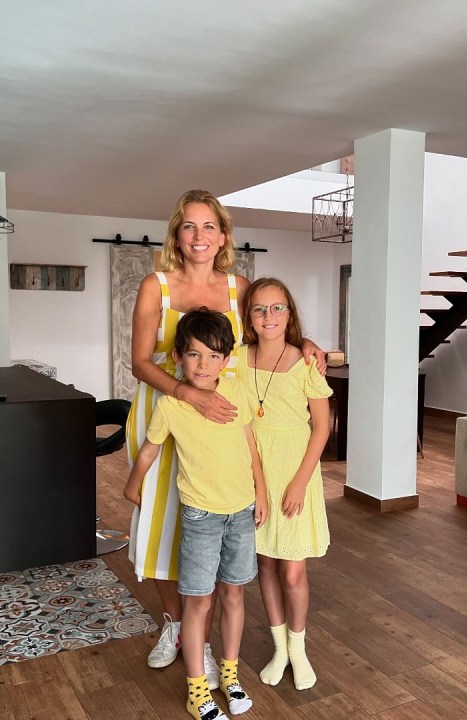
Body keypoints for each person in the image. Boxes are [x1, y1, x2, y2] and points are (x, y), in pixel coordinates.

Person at [125, 189, 324, 680]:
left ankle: (209, 642)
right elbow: (139, 362)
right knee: (166, 526)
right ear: (177, 233)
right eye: (189, 226)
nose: (199, 236)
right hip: (166, 411)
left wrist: (308, 342)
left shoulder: (239, 286)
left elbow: (271, 327)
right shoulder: (157, 286)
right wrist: (188, 395)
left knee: (213, 520)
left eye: (208, 226)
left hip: (224, 422)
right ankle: (175, 625)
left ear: (222, 236)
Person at [124, 308, 266, 720]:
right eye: (194, 355)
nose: (203, 365)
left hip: (241, 513)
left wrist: (261, 492)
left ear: (227, 358)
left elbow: (249, 444)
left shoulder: (237, 390)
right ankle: (197, 691)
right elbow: (150, 449)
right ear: (177, 358)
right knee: (198, 602)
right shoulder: (172, 406)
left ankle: (231, 676)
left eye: (214, 356)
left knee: (235, 595)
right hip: (201, 518)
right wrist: (132, 484)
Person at [237, 278, 332, 691]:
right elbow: (243, 423)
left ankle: (299, 648)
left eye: (278, 308)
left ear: (289, 314)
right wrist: (259, 486)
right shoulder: (238, 360)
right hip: (255, 472)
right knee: (265, 563)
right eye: (259, 309)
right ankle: (278, 646)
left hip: (297, 473)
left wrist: (299, 483)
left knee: (293, 570)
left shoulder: (305, 362)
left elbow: (323, 427)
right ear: (249, 317)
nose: (268, 316)